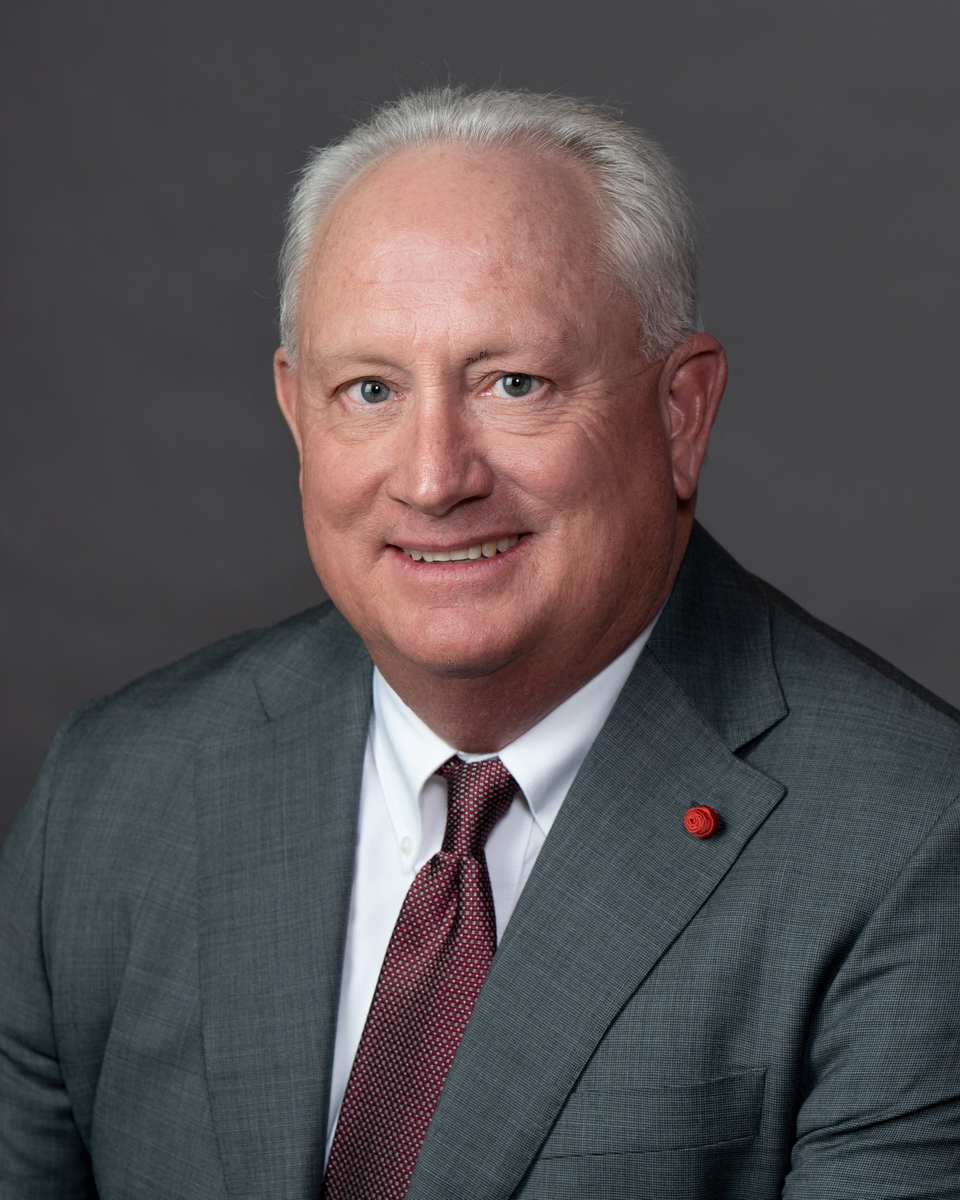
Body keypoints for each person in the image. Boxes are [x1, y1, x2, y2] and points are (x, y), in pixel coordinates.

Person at [2, 87, 959, 1200]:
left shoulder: (907, 845)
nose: (432, 478)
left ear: (680, 414)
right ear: (297, 415)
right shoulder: (111, 796)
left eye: (514, 383)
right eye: (369, 390)